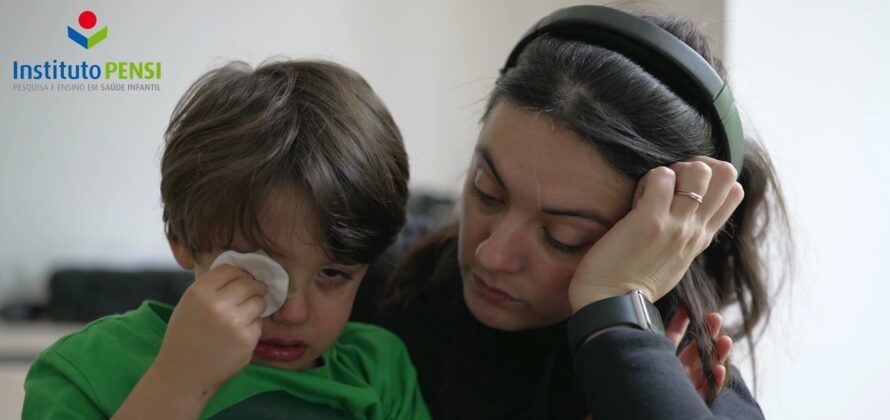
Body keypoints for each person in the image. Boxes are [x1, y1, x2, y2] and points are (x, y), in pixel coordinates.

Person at [358, 6, 791, 419]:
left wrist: (615, 313)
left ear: (660, 235)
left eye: (562, 237)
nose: (492, 255)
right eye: (486, 192)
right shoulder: (366, 280)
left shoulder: (684, 372)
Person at [23, 60, 430, 419]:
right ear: (181, 237)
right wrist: (180, 381)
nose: (293, 311)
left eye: (332, 273)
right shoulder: (87, 368)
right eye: (262, 272)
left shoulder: (379, 370)